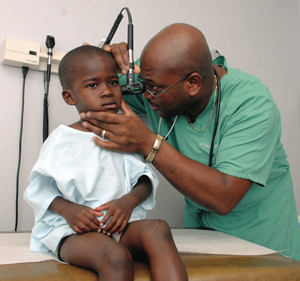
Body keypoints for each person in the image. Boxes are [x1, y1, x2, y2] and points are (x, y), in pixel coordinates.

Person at [80, 23, 300, 261]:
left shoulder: (251, 103)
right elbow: (86, 85)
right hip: (201, 238)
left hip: (262, 243)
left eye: (153, 87)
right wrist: (103, 61)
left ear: (193, 83)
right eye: (143, 83)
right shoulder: (155, 87)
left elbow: (224, 197)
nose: (144, 94)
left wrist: (147, 143)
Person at [24, 45, 188, 281]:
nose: (107, 92)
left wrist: (128, 202)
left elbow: (144, 180)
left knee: (158, 228)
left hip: (121, 225)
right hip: (73, 231)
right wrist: (69, 211)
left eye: (112, 82)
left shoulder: (124, 134)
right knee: (116, 257)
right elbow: (39, 189)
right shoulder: (62, 139)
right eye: (93, 85)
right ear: (70, 97)